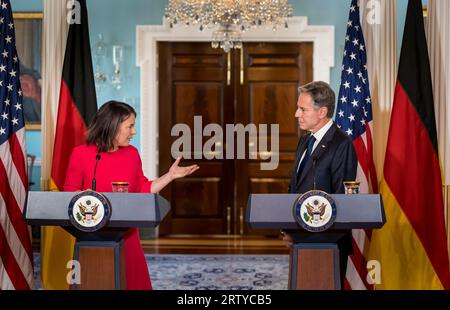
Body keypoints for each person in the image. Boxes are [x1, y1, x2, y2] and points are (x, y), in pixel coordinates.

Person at [64, 100, 199, 290]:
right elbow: (69, 194)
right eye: (130, 126)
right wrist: (83, 196)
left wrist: (170, 176)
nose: (133, 132)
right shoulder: (81, 154)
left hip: (126, 236)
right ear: (113, 125)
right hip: (91, 237)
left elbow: (142, 188)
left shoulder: (132, 154)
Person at [283, 81, 357, 288]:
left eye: (302, 109)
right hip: (302, 238)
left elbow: (342, 199)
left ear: (322, 111)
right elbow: (295, 185)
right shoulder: (305, 141)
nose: (297, 114)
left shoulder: (342, 144)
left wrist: (309, 232)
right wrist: (289, 229)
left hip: (327, 243)